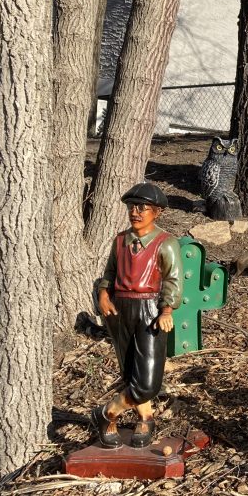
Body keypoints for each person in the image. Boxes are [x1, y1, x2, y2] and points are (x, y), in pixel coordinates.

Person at [92, 182, 183, 449]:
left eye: (142, 208)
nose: (136, 212)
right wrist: (103, 294)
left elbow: (173, 279)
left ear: (157, 212)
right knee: (130, 370)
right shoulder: (120, 240)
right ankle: (145, 417)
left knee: (147, 381)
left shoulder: (165, 243)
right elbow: (109, 273)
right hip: (121, 309)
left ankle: (107, 413)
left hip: (150, 310)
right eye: (133, 207)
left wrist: (167, 309)